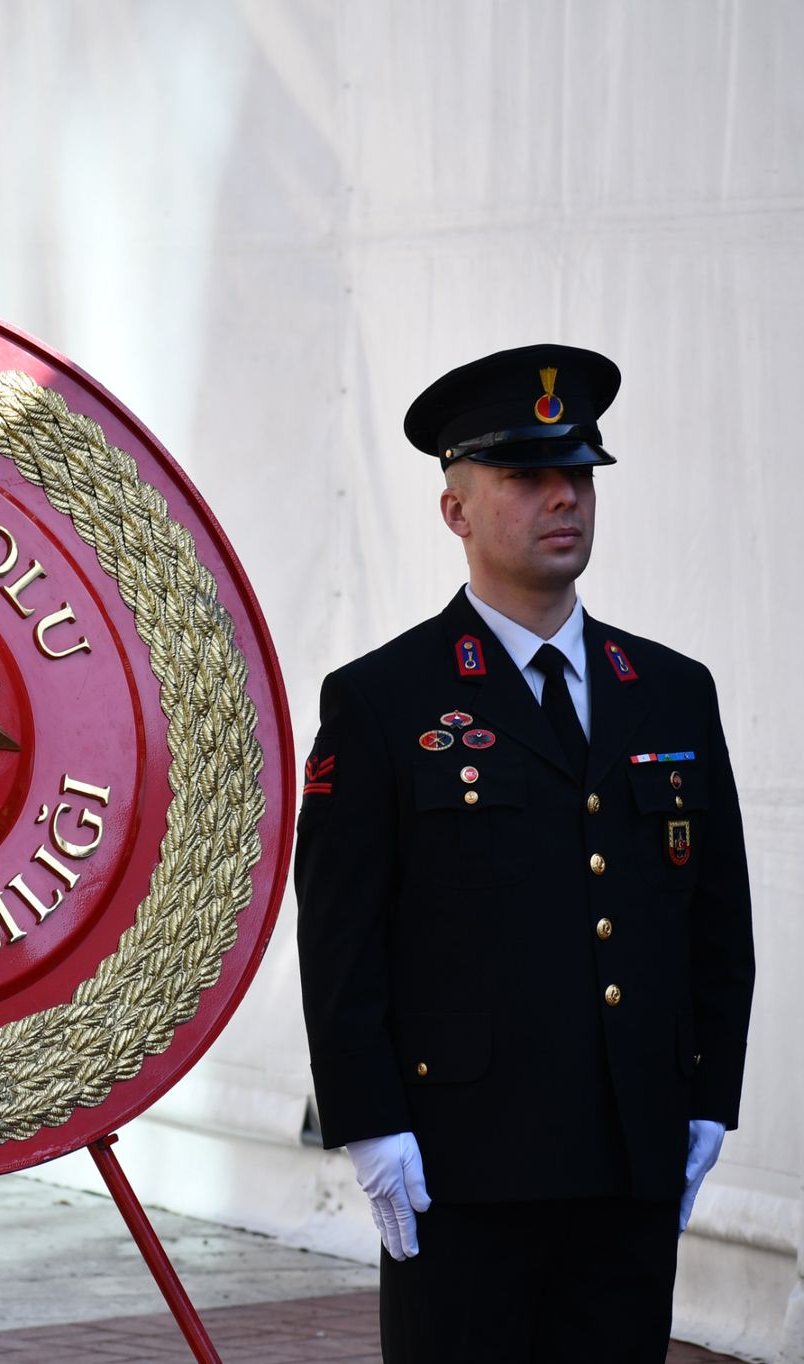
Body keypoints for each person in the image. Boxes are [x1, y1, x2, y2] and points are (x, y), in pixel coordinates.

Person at [294, 344, 756, 1362]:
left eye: (578, 476)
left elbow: (715, 917)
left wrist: (705, 1096)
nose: (563, 499)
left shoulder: (671, 690)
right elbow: (339, 938)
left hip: (629, 1150)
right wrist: (367, 1121)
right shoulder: (383, 700)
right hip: (462, 1160)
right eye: (525, 477)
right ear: (455, 510)